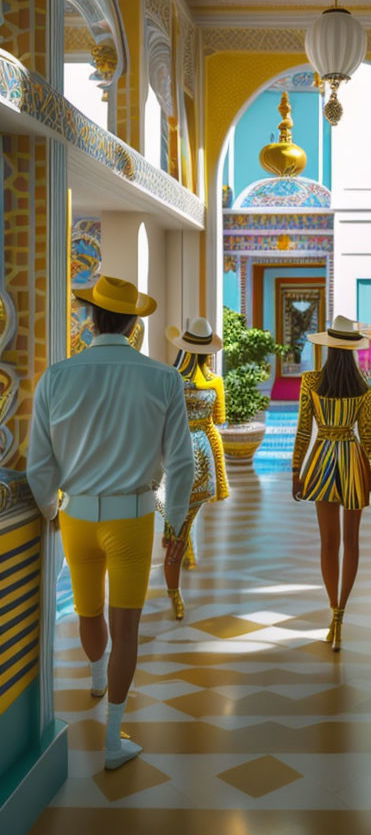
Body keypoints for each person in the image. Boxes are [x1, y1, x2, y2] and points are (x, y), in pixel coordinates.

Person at [27, 276, 194, 770]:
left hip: (76, 515)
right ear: (134, 324)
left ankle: (97, 677)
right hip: (133, 519)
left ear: (91, 318)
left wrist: (51, 510)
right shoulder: (163, 378)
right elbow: (181, 463)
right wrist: (177, 522)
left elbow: (40, 466)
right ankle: (114, 740)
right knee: (127, 627)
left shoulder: (56, 377)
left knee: (87, 612)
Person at [292, 315, 371, 651]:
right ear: (353, 350)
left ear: (328, 347)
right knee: (351, 542)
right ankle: (341, 613)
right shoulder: (363, 386)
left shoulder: (311, 381)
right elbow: (368, 437)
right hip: (353, 461)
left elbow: (302, 430)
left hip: (322, 458)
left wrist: (296, 470)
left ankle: (333, 613)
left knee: (328, 542)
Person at [159, 316, 229, 620]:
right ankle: (177, 580)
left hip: (172, 451)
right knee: (186, 516)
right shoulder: (214, 381)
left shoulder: (168, 378)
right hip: (202, 451)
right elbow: (220, 418)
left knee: (174, 515)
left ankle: (175, 586)